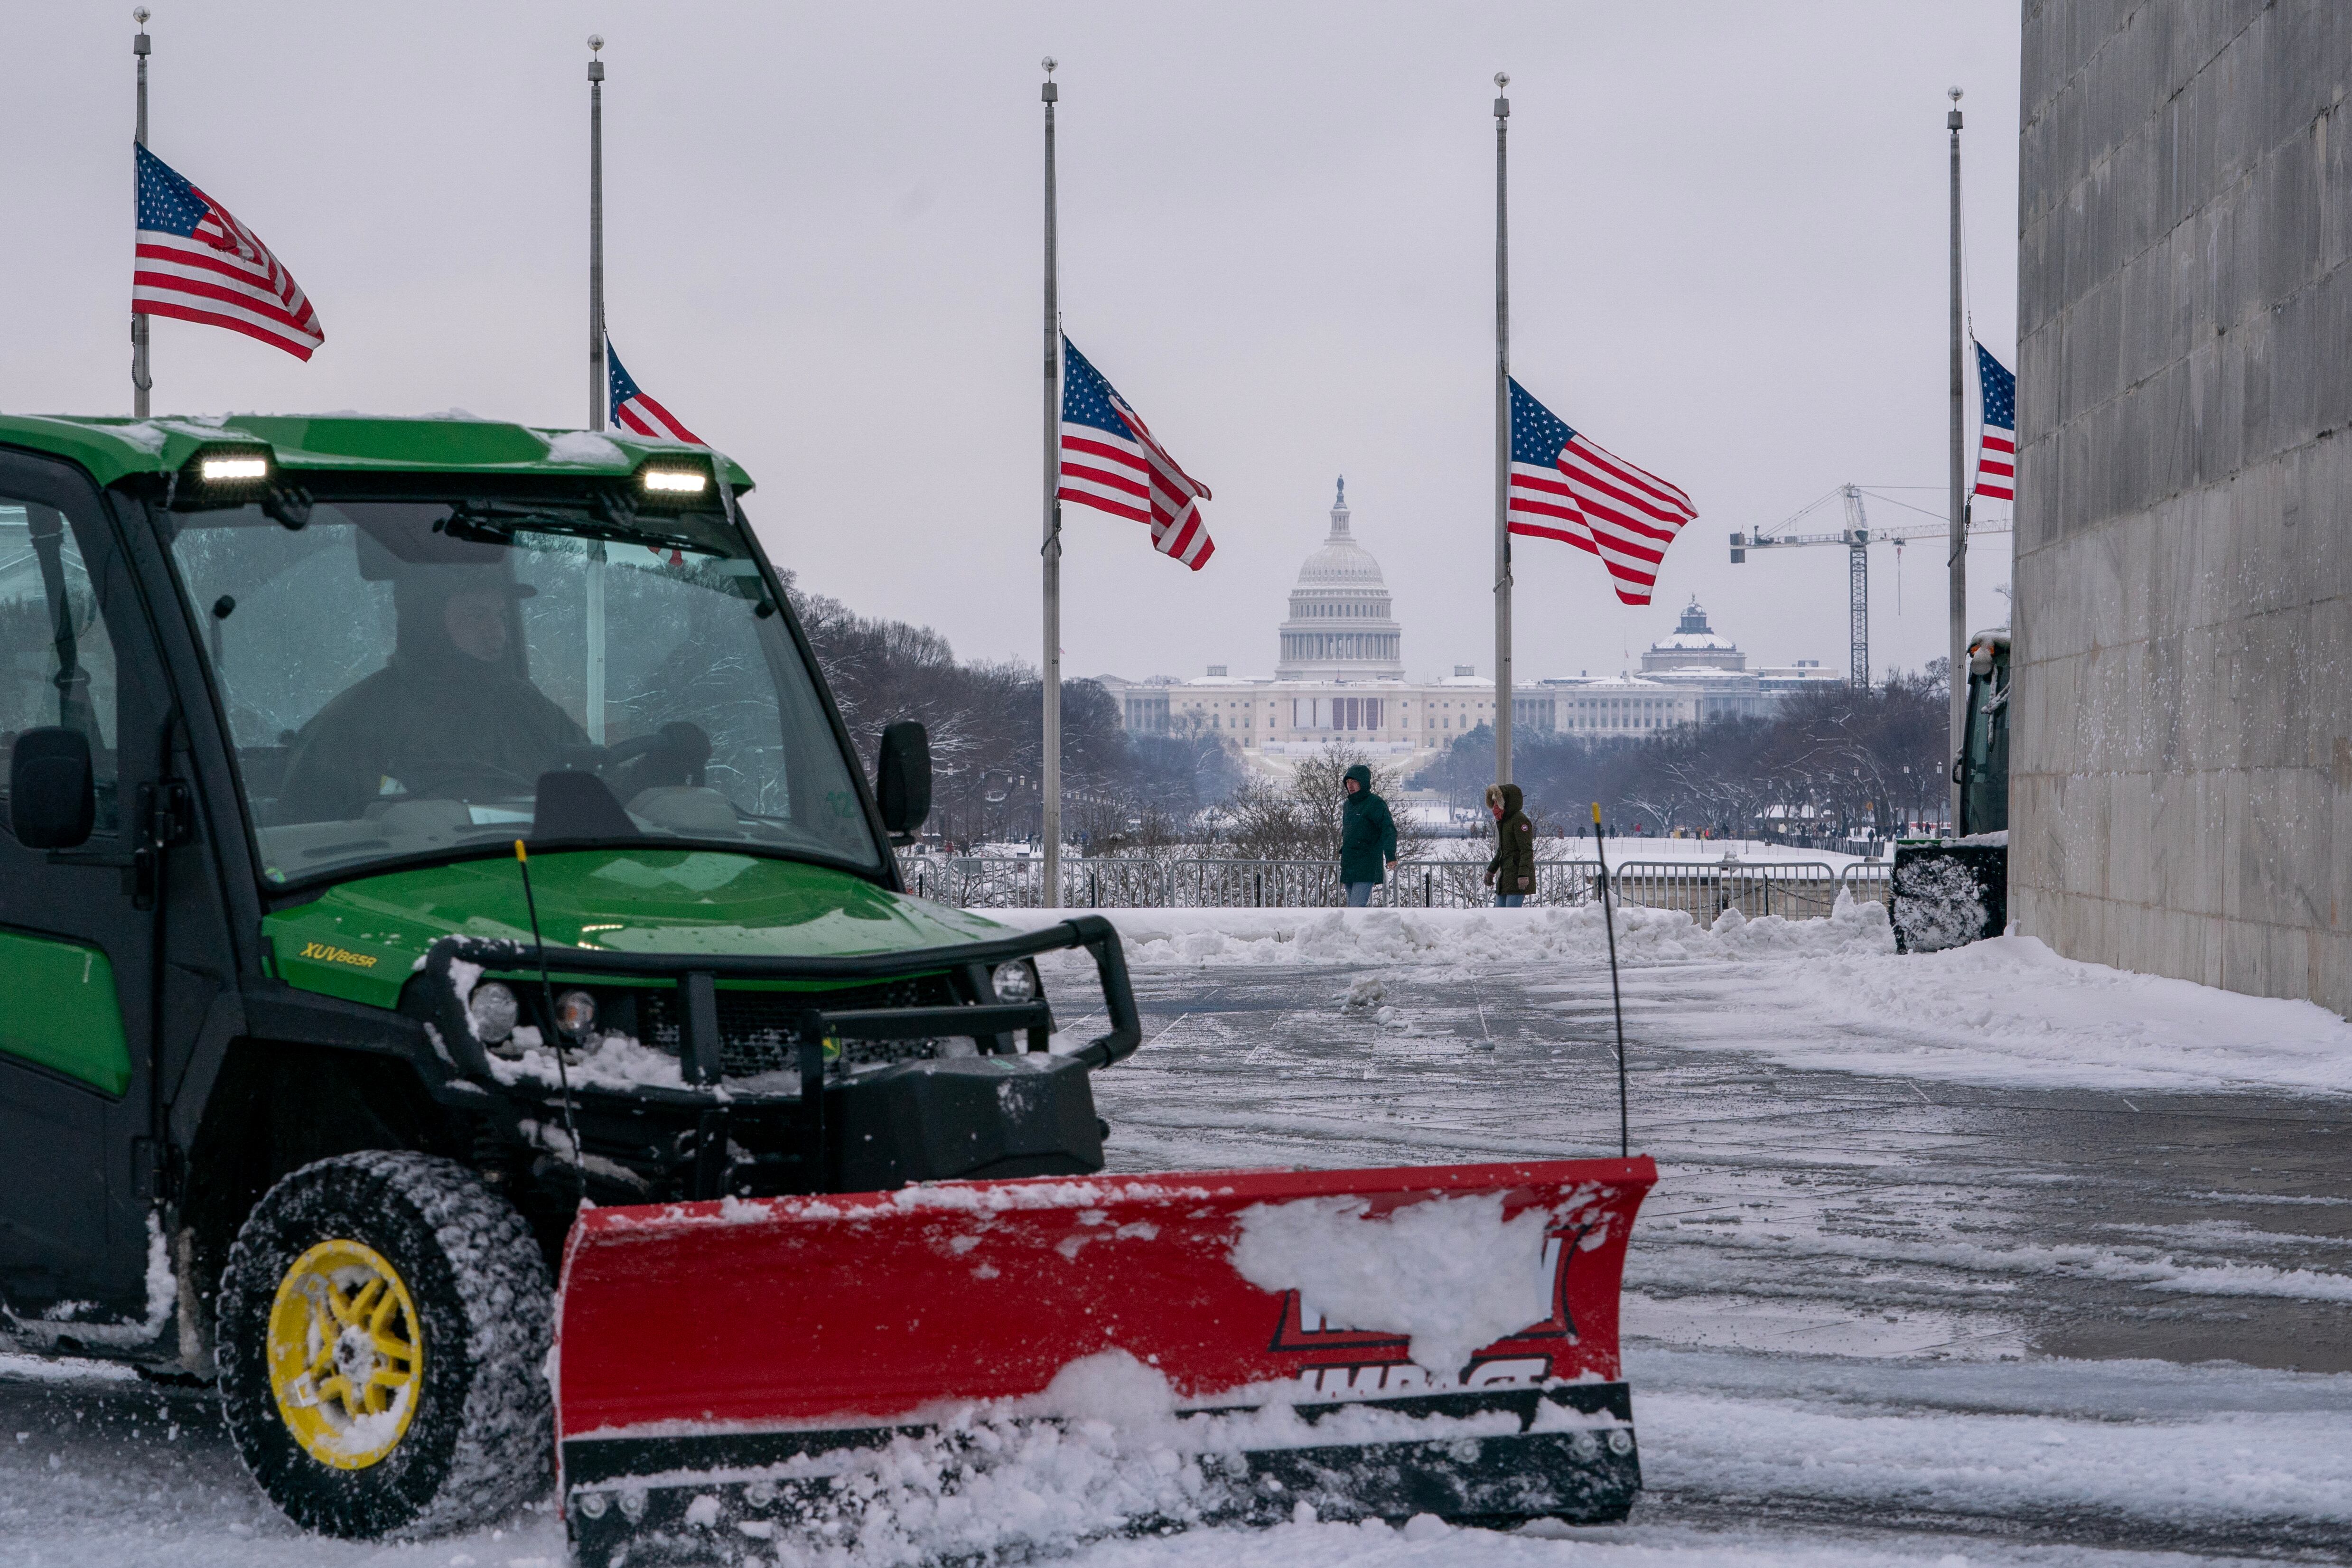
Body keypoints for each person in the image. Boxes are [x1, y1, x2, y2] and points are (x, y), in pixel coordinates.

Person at [275, 563, 588, 822]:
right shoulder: (352, 723)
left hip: (538, 876)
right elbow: (304, 840)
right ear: (427, 623)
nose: (498, 632)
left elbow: (596, 781)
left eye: (502, 616)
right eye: (477, 615)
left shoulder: (529, 708)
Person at [1338, 763, 1396, 907]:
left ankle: (1356, 930)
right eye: (1348, 783)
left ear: (1363, 783)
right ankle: (1355, 930)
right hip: (1349, 863)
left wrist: (1390, 856)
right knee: (1352, 908)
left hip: (1366, 863)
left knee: (1356, 907)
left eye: (1354, 782)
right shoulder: (1348, 805)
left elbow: (1388, 829)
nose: (1350, 786)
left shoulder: (1375, 804)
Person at [1483, 781, 1534, 906]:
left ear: (1506, 802)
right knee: (1500, 916)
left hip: (1516, 878)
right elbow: (1502, 850)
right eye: (1494, 802)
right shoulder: (1504, 821)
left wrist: (1523, 875)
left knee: (1511, 917)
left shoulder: (1519, 820)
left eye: (1497, 802)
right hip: (1506, 877)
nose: (1495, 806)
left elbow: (1526, 850)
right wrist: (1491, 871)